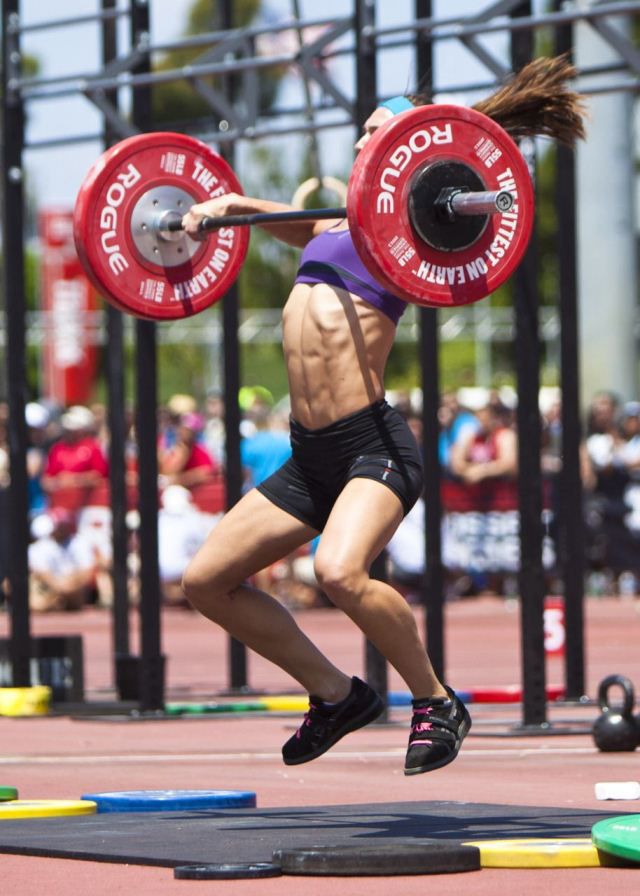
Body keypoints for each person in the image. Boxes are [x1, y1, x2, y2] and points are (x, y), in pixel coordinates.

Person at [180, 57, 585, 775]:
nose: (363, 141)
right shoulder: (341, 222)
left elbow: (472, 211)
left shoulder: (407, 228)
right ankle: (337, 695)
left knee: (337, 570)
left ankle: (435, 700)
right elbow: (290, 226)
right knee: (207, 581)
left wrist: (464, 182)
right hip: (311, 457)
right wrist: (229, 207)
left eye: (379, 132)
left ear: (410, 146)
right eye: (362, 132)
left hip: (373, 447)